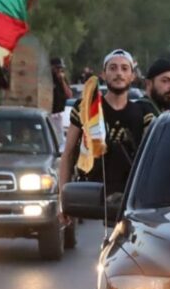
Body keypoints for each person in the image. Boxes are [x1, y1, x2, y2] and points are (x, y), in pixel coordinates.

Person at [59, 49, 152, 215]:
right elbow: (68, 153)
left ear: (132, 76)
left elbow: (152, 159)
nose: (119, 73)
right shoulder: (86, 108)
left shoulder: (143, 111)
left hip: (131, 202)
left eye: (124, 69)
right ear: (103, 74)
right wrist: (62, 201)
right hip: (92, 198)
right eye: (113, 68)